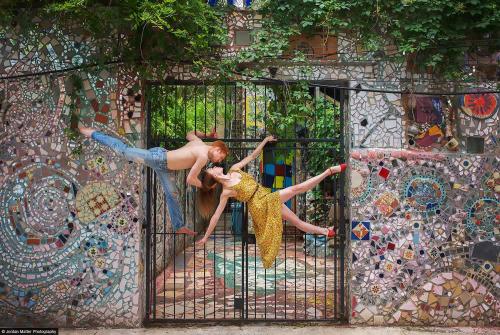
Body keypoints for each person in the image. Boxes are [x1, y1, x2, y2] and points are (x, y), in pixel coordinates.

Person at [195, 135, 346, 268]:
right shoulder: (226, 191)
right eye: (211, 170)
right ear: (213, 178)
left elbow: (253, 156)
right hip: (260, 203)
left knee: (297, 222)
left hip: (265, 195)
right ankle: (329, 171)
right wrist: (206, 237)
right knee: (295, 189)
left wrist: (265, 140)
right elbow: (215, 216)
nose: (214, 167)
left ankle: (327, 232)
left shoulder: (234, 169)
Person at [79, 126, 229, 235]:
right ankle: (93, 133)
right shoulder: (203, 156)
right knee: (124, 151)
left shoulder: (199, 143)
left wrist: (206, 134)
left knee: (172, 194)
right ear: (218, 149)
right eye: (220, 157)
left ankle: (179, 226)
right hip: (158, 159)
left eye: (219, 160)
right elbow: (190, 179)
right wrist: (205, 186)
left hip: (163, 163)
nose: (217, 161)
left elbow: (189, 133)